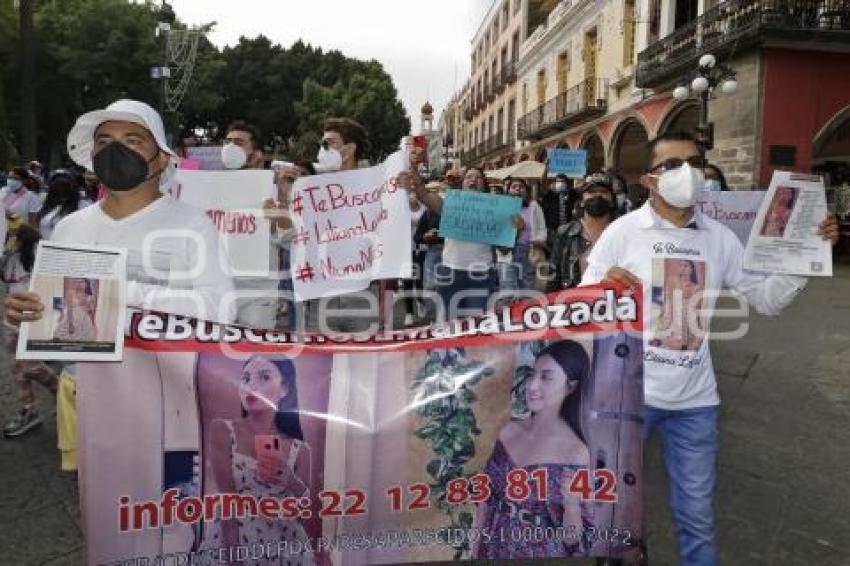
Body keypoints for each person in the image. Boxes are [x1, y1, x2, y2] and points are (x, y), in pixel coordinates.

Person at [580, 131, 839, 566]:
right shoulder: (622, 233)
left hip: (696, 404)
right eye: (673, 165)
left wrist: (807, 255)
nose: (689, 173)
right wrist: (603, 288)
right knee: (612, 515)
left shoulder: (719, 238)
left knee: (697, 520)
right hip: (627, 399)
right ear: (649, 180)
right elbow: (581, 304)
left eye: (695, 162)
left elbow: (768, 299)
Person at [5, 99, 234, 471]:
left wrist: (110, 289)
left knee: (159, 511)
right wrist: (27, 310)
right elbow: (54, 312)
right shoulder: (69, 227)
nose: (114, 149)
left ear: (161, 158)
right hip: (81, 389)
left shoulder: (192, 225)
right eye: (103, 140)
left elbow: (221, 308)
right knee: (97, 515)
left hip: (164, 396)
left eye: (132, 139)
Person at [473, 340, 593, 559]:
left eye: (546, 377)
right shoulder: (509, 430)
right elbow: (485, 499)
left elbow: (574, 539)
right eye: (532, 374)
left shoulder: (576, 452)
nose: (531, 385)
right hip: (493, 548)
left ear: (571, 386)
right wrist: (474, 552)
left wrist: (572, 505)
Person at [210, 356, 315, 566]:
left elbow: (309, 513)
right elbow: (227, 506)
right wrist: (234, 559)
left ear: (284, 388)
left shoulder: (300, 450)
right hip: (236, 543)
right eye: (246, 379)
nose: (252, 386)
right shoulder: (222, 430)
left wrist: (290, 481)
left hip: (288, 547)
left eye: (264, 377)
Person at [407, 165, 524, 318]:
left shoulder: (496, 211)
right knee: (450, 324)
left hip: (480, 276)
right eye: (469, 177)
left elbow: (504, 250)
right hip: (449, 273)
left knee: (473, 325)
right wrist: (417, 182)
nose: (473, 180)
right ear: (462, 183)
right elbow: (425, 196)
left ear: (484, 184)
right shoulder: (451, 204)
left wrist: (517, 229)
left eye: (478, 177)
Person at [1, 224, 59, 438]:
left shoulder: (39, 256)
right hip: (12, 320)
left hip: (34, 319)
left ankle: (65, 392)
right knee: (18, 369)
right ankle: (30, 410)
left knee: (31, 367)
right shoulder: (8, 259)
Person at [548, 173, 617, 290]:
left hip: (615, 302)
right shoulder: (565, 232)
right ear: (581, 201)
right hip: (576, 303)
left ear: (612, 201)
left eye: (604, 192)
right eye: (592, 192)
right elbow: (553, 277)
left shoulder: (622, 231)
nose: (598, 195)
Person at [497, 177, 546, 294]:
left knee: (527, 291)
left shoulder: (534, 206)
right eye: (514, 187)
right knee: (507, 290)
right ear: (508, 191)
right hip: (507, 254)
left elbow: (542, 229)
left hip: (528, 253)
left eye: (521, 187)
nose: (518, 189)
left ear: (526, 191)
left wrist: (539, 241)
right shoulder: (501, 208)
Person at [36, 169, 93, 240]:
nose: (61, 189)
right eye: (57, 186)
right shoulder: (45, 205)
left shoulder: (84, 206)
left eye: (64, 186)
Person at [53, 278, 97, 342]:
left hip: (84, 318)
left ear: (86, 284)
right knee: (67, 336)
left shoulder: (87, 295)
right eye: (78, 282)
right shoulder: (71, 293)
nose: (79, 284)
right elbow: (69, 308)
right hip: (72, 316)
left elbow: (90, 309)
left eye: (82, 282)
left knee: (86, 336)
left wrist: (89, 311)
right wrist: (70, 323)